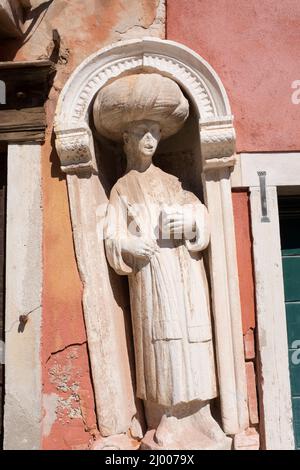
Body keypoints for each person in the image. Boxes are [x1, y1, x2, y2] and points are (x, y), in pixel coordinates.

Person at [94, 73, 230, 449]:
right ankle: (166, 418)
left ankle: (201, 414)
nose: (150, 139)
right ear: (127, 139)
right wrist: (129, 247)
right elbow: (111, 232)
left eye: (155, 131)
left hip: (186, 276)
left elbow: (198, 212)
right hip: (152, 278)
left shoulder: (172, 182)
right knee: (162, 344)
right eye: (142, 132)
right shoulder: (122, 188)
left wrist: (190, 221)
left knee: (195, 340)